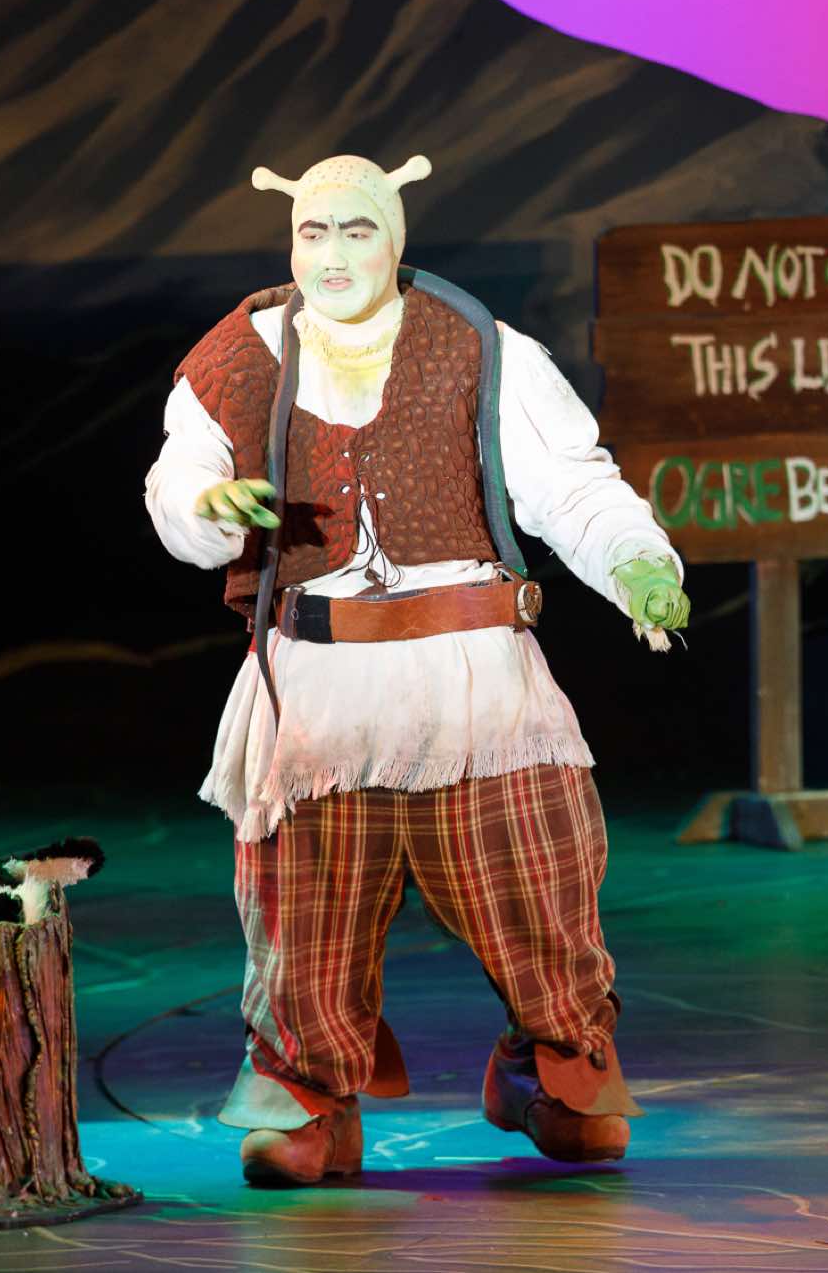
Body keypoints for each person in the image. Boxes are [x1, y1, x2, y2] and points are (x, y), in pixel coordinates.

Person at [144, 153, 689, 1186]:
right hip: (319, 685)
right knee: (302, 917)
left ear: (393, 240)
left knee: (540, 889)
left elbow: (572, 486)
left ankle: (552, 1069)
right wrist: (206, 508)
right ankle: (308, 1099)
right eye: (312, 232)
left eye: (356, 231)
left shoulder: (477, 346)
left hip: (473, 677)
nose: (332, 254)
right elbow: (177, 485)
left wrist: (638, 566)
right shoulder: (241, 354)